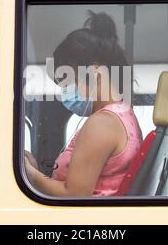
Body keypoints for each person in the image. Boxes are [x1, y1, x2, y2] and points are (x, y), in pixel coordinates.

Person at [24, 11, 143, 197]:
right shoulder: (122, 114)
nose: (65, 92)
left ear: (93, 73)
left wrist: (30, 175)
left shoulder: (103, 124)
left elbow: (74, 196)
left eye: (67, 82)